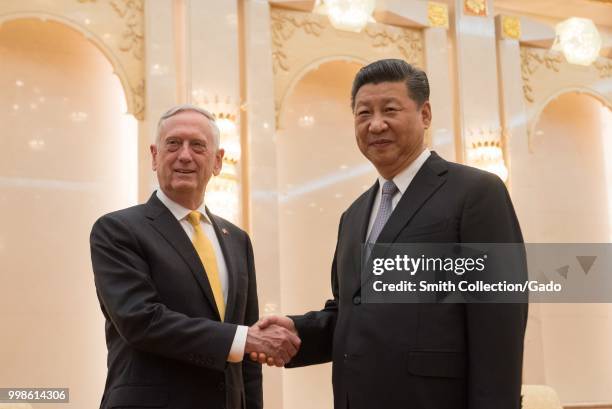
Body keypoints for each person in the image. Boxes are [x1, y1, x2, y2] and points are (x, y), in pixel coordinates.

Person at [256, 59, 528, 409]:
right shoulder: (353, 215)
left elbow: (498, 324)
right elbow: (351, 311)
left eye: (390, 109)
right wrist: (297, 333)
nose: (376, 124)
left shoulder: (476, 192)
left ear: (425, 114)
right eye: (363, 113)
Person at [90, 105, 300, 409]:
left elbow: (249, 358)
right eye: (173, 144)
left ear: (217, 161)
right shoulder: (118, 230)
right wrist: (242, 340)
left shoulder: (238, 240)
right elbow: (141, 321)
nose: (184, 155)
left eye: (198, 146)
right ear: (154, 155)